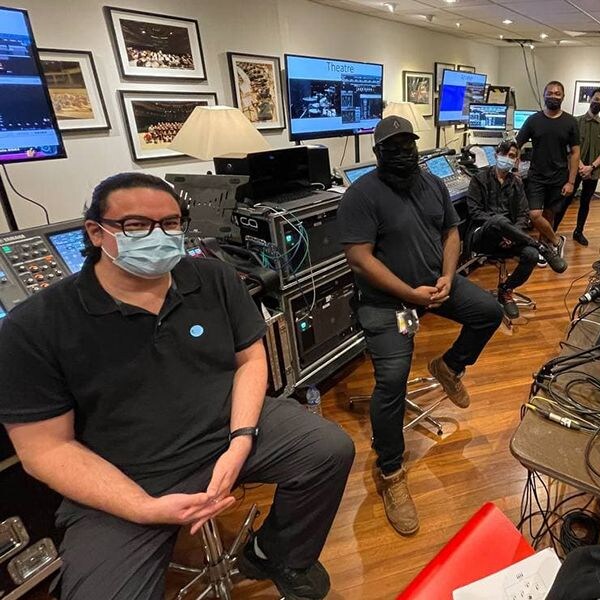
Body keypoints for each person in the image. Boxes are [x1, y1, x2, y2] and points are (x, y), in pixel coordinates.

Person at [0, 173, 354, 600]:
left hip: (226, 429)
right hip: (125, 474)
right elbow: (45, 449)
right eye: (136, 225)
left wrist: (241, 439)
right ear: (95, 232)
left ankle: (275, 553)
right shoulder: (33, 326)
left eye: (169, 224)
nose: (158, 236)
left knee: (328, 449)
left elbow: (250, 359)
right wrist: (143, 508)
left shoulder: (214, 278)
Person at [337, 116, 503, 536]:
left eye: (408, 145)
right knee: (392, 379)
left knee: (489, 311)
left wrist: (448, 276)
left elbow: (451, 233)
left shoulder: (431, 183)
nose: (403, 154)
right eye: (393, 148)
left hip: (435, 285)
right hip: (387, 302)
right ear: (378, 153)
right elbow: (360, 259)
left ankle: (450, 366)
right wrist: (411, 294)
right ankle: (391, 471)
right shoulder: (361, 195)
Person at [467, 140, 568, 318]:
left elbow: (523, 214)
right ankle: (541, 247)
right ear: (496, 155)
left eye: (512, 156)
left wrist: (512, 234)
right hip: (483, 236)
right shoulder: (479, 179)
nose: (507, 158)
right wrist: (504, 230)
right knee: (498, 220)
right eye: (504, 154)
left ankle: (506, 290)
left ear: (516, 160)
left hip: (511, 238)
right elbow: (475, 212)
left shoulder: (517, 183)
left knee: (531, 255)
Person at [516, 81, 581, 265]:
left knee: (549, 214)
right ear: (544, 95)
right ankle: (557, 241)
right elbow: (516, 145)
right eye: (550, 93)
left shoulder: (570, 122)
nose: (553, 96)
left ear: (563, 97)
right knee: (534, 214)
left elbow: (575, 153)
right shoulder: (533, 120)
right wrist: (515, 168)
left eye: (557, 93)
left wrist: (571, 182)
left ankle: (544, 248)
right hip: (536, 176)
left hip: (559, 177)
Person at [556, 88, 600, 246]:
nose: (598, 103)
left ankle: (578, 232)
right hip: (574, 170)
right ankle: (552, 230)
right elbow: (569, 147)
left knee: (585, 202)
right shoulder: (576, 122)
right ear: (590, 99)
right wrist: (580, 166)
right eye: (596, 99)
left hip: (593, 172)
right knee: (565, 201)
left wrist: (591, 167)